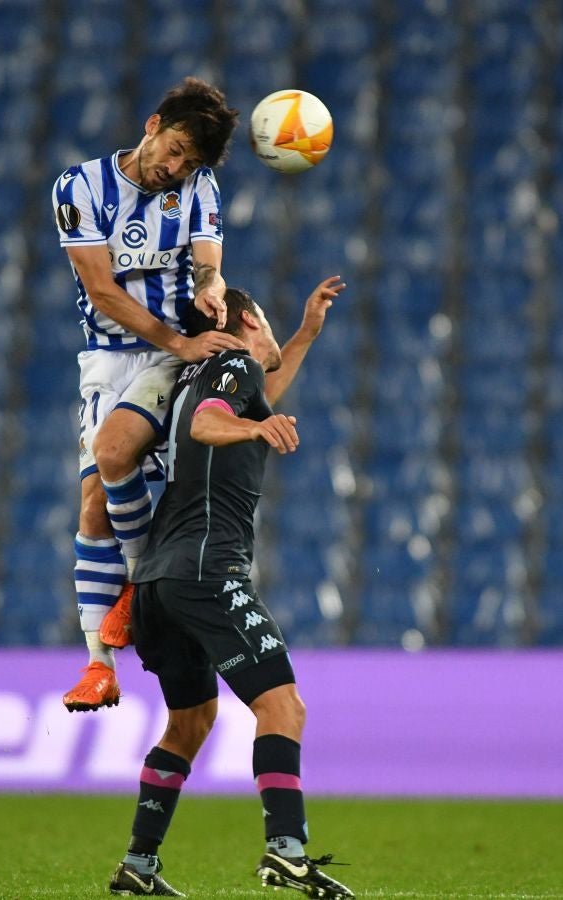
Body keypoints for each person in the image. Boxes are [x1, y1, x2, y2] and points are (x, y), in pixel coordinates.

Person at [107, 278, 353, 899]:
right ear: (245, 323)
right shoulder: (232, 366)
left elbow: (251, 400)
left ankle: (139, 864)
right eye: (267, 321)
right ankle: (286, 851)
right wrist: (252, 432)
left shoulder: (210, 375)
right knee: (282, 707)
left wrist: (304, 333)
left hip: (158, 584)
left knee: (189, 724)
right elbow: (214, 424)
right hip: (206, 571)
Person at [53, 77, 243, 712]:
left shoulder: (199, 187)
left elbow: (208, 260)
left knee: (113, 458)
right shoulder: (79, 189)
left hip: (171, 359)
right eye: (176, 149)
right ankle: (98, 666)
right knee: (90, 509)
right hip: (109, 357)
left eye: (189, 161)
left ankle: (140, 590)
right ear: (153, 123)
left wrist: (211, 288)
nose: (176, 166)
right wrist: (178, 339)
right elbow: (103, 292)